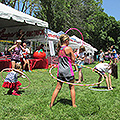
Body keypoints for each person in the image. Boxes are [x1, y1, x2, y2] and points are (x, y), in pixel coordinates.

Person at [49, 34, 77, 108]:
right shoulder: (69, 48)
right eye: (69, 41)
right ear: (66, 41)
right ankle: (73, 104)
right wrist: (73, 56)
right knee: (71, 87)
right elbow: (73, 60)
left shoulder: (59, 49)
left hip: (60, 71)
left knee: (58, 87)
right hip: (68, 71)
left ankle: (51, 104)